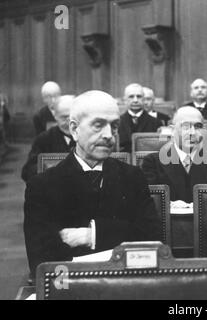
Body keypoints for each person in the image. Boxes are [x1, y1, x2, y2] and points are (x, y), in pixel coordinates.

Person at [24, 90, 161, 278]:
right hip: (71, 289)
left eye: (114, 126)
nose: (109, 135)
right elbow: (43, 262)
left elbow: (151, 239)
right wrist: (120, 232)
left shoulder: (133, 176)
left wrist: (92, 235)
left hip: (128, 284)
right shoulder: (42, 186)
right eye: (98, 125)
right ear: (74, 129)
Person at [142, 106, 207, 204]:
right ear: (172, 130)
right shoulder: (152, 162)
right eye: (185, 126)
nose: (192, 132)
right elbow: (151, 204)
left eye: (197, 126)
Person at [21, 95, 76, 182]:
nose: (69, 122)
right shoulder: (43, 139)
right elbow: (26, 172)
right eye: (64, 117)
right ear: (55, 116)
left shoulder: (88, 137)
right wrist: (47, 169)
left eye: (73, 117)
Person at [118, 83, 163, 152]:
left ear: (143, 99)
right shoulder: (118, 122)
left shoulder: (156, 123)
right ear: (125, 100)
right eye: (131, 97)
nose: (135, 100)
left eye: (139, 96)